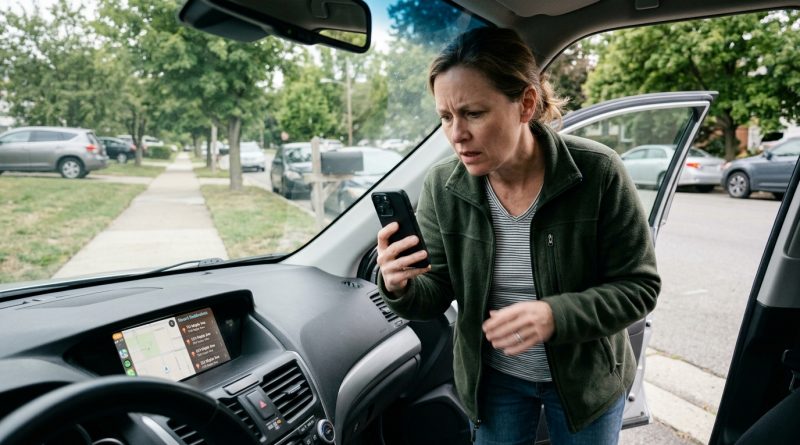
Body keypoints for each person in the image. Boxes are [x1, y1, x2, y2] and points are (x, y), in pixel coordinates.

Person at [376, 27, 660, 445]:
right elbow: (435, 293)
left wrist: (554, 315)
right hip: (495, 383)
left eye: (473, 113)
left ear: (526, 103)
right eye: (446, 117)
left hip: (587, 382)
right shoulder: (442, 186)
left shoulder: (598, 172)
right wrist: (399, 284)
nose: (456, 135)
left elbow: (639, 287)